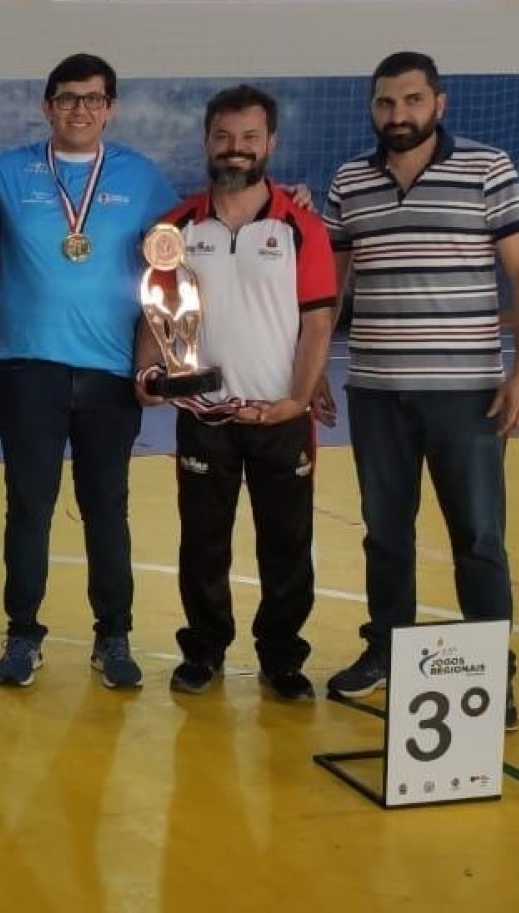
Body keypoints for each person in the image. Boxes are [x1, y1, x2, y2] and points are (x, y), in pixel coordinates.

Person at [319, 51, 519, 732]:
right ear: (372, 107)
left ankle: (490, 673)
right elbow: (330, 289)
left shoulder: (486, 168)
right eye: (386, 102)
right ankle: (386, 650)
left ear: (438, 104)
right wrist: (311, 371)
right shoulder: (349, 180)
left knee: (477, 538)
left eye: (412, 100)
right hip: (376, 392)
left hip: (467, 396)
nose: (399, 114)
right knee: (385, 535)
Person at [0, 53, 180, 690]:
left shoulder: (141, 178)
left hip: (111, 375)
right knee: (28, 508)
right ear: (47, 106)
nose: (80, 109)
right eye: (67, 98)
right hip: (28, 369)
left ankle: (113, 636)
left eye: (93, 98)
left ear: (111, 108)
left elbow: (177, 255)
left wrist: (154, 355)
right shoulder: (3, 173)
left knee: (107, 509)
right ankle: (22, 635)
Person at [147, 86, 336, 701]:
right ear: (207, 141)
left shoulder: (301, 226)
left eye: (250, 137)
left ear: (270, 143)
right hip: (204, 417)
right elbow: (156, 312)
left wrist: (297, 399)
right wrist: (147, 373)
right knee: (203, 544)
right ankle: (203, 650)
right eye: (224, 137)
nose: (236, 149)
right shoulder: (176, 227)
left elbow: (318, 323)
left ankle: (282, 657)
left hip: (281, 416)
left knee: (287, 544)